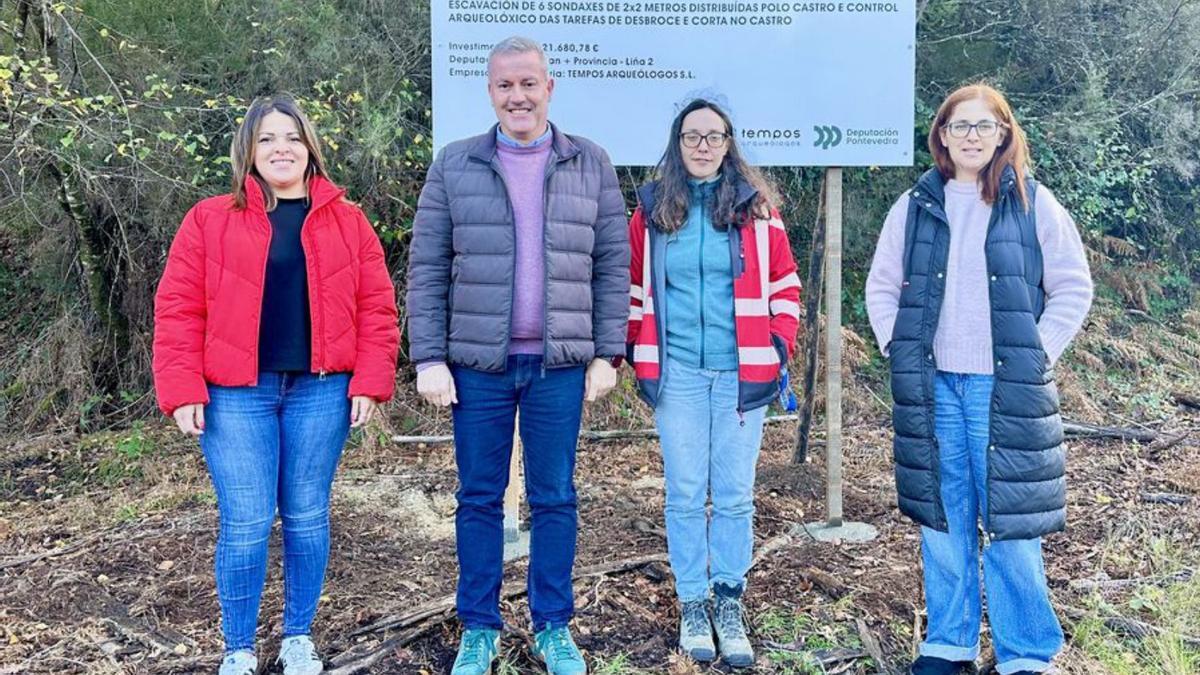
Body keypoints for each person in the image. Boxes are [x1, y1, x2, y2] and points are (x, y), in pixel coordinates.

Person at [152, 94, 400, 675]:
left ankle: (297, 637)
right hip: (236, 393)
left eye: (291, 137)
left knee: (308, 513)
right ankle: (237, 647)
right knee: (247, 518)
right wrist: (182, 385)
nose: (280, 148)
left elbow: (378, 308)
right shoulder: (209, 218)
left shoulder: (348, 219)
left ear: (309, 146)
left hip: (322, 390)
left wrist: (371, 379)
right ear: (249, 151)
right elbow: (178, 308)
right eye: (266, 139)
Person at [405, 36, 629, 675]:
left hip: (560, 364)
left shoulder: (591, 162)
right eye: (505, 85)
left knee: (555, 495)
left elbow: (613, 265)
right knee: (478, 497)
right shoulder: (454, 164)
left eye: (528, 83)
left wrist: (607, 352)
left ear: (549, 88)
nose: (518, 96)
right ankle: (480, 626)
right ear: (490, 91)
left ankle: (553, 625)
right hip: (478, 367)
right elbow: (425, 266)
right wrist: (428, 358)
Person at [865, 83, 1093, 675]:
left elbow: (1072, 286)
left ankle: (1026, 652)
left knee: (1013, 525)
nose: (971, 136)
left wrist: (1035, 352)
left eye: (982, 126)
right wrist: (899, 348)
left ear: (1003, 135)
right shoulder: (915, 205)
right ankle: (948, 643)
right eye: (959, 126)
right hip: (935, 387)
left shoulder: (1034, 203)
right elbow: (882, 286)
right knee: (944, 519)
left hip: (1006, 390)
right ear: (941, 135)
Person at [626, 98, 801, 668]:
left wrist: (776, 349)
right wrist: (636, 350)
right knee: (682, 493)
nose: (703, 146)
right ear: (678, 144)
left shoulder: (757, 211)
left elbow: (786, 289)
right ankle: (692, 603)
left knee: (731, 495)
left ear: (729, 144)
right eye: (692, 136)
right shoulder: (651, 211)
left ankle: (728, 598)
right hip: (675, 373)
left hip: (740, 374)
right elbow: (633, 288)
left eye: (714, 136)